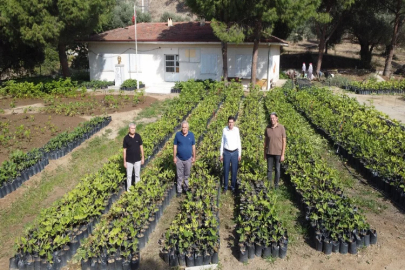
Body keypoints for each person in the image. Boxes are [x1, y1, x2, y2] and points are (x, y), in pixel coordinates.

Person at [264, 112, 286, 189]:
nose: (272, 119)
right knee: (269, 170)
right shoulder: (267, 128)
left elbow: (284, 142)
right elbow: (265, 142)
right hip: (269, 152)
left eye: (273, 118)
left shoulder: (281, 128)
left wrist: (282, 154)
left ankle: (276, 185)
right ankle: (269, 186)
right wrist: (264, 153)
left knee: (277, 169)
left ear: (277, 118)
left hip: (278, 153)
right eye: (271, 118)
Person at [173, 121, 196, 197]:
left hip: (188, 158)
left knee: (187, 175)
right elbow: (175, 146)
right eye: (183, 127)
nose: (184, 129)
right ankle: (179, 190)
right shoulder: (178, 135)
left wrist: (194, 156)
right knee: (179, 176)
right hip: (179, 158)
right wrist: (174, 157)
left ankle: (186, 188)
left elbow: (193, 146)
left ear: (188, 128)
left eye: (185, 127)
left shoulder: (191, 135)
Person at [220, 116, 241, 193]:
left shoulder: (236, 130)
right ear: (227, 123)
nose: (230, 124)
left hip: (235, 152)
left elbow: (239, 142)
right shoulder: (225, 130)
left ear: (234, 123)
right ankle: (225, 187)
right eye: (229, 122)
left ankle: (232, 187)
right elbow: (222, 142)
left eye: (232, 122)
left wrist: (240, 153)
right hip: (226, 152)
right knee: (226, 170)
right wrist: (221, 154)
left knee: (234, 170)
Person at [123, 123, 144, 191]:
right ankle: (129, 191)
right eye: (132, 128)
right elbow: (124, 150)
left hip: (137, 160)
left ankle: (137, 189)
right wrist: (124, 161)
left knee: (137, 175)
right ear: (129, 129)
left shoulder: (138, 136)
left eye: (134, 128)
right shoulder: (126, 138)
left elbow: (141, 147)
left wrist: (142, 157)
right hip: (129, 161)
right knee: (129, 176)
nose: (133, 130)